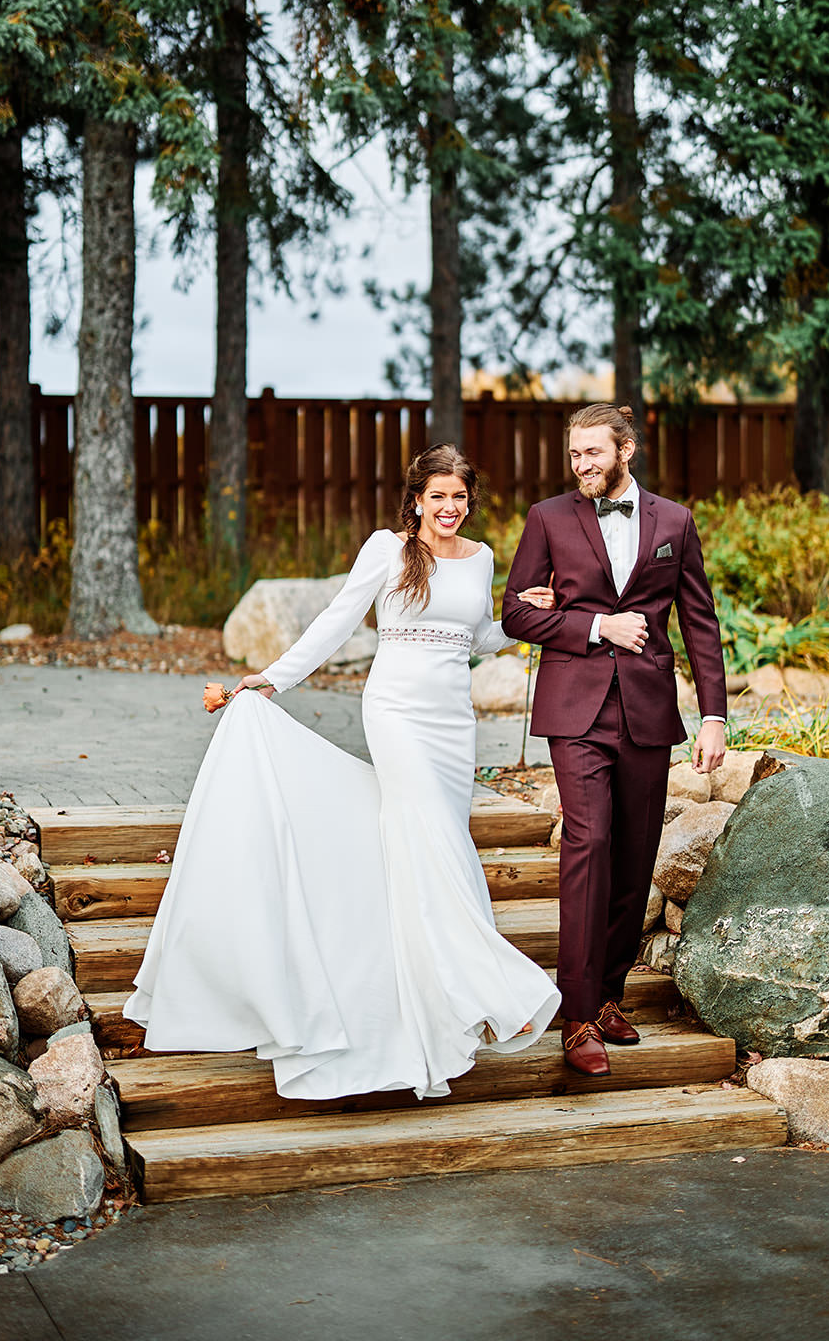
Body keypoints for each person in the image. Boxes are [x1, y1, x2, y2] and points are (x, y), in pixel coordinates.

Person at [124, 444, 560, 1100]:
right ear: (416, 498)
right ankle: (493, 986)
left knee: (436, 840)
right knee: (432, 841)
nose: (449, 508)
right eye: (438, 496)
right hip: (397, 715)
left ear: (471, 501)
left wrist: (526, 616)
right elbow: (335, 622)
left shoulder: (482, 559)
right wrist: (273, 679)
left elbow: (478, 636)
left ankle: (438, 1000)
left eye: (459, 497)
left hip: (452, 725)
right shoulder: (386, 550)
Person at [501, 403, 727, 1077]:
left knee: (633, 858)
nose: (581, 466)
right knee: (589, 843)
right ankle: (574, 1019)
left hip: (647, 711)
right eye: (574, 456)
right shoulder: (546, 519)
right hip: (574, 708)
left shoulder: (673, 523)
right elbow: (514, 610)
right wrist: (595, 627)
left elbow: (700, 623)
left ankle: (606, 996)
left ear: (624, 449)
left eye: (592, 454)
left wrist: (712, 715)